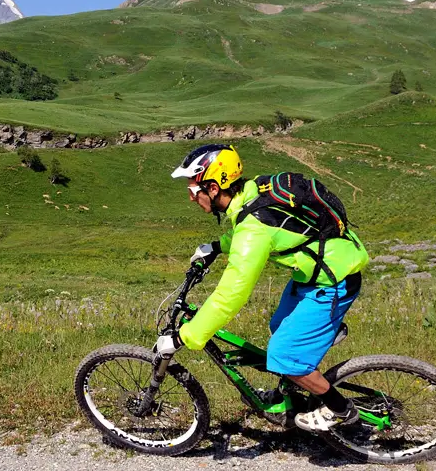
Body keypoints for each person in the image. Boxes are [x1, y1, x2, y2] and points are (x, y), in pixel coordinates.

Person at [153, 144, 369, 431]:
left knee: (285, 356)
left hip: (333, 281)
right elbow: (262, 226)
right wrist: (217, 247)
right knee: (278, 326)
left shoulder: (253, 230)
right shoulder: (252, 192)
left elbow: (231, 294)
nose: (191, 196)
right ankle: (289, 391)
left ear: (214, 188)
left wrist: (185, 337)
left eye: (194, 188)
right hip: (320, 272)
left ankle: (341, 410)